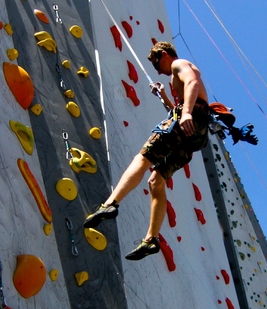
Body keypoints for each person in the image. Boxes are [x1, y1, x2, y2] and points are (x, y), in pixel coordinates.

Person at [83, 41, 211, 260]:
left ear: (164, 54)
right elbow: (177, 110)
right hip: (193, 137)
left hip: (191, 118)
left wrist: (187, 113)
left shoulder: (179, 64)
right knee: (156, 181)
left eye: (155, 63)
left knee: (142, 158)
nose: (156, 70)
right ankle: (151, 239)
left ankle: (109, 203)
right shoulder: (172, 79)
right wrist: (164, 96)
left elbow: (193, 83)